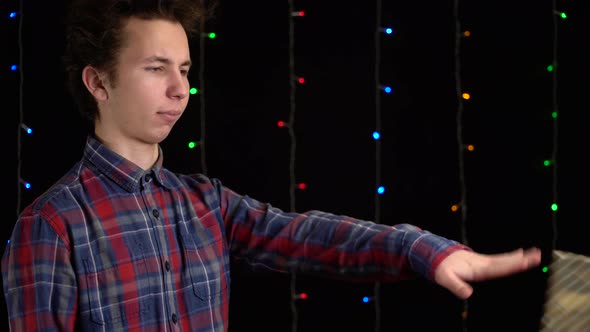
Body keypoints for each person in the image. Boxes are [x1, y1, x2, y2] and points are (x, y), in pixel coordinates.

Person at [2, 0, 541, 331]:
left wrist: (424, 250)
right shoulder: (51, 226)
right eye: (155, 68)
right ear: (98, 82)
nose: (179, 89)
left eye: (185, 68)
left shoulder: (204, 202)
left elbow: (305, 236)